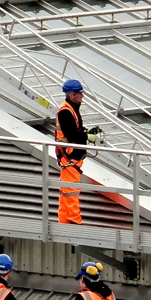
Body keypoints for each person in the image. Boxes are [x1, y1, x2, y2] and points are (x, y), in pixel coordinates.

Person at [55, 78, 94, 225]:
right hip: (69, 157)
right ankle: (74, 221)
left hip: (71, 157)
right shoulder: (66, 112)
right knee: (71, 191)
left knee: (67, 191)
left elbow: (75, 130)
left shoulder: (71, 109)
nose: (82, 96)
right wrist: (87, 136)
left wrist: (87, 132)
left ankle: (63, 221)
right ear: (71, 95)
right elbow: (71, 134)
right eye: (80, 93)